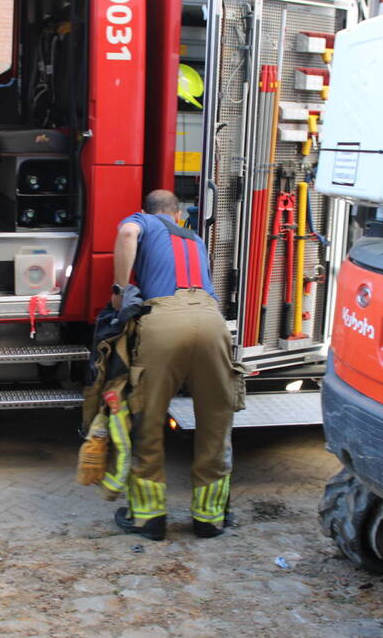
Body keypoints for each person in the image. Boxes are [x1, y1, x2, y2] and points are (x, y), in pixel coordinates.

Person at [109, 189, 243, 540]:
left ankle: (149, 518)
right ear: (178, 214)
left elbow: (126, 235)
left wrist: (120, 290)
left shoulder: (142, 221)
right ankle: (210, 518)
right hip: (213, 323)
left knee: (149, 418)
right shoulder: (195, 237)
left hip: (164, 320)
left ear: (146, 211)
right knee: (216, 421)